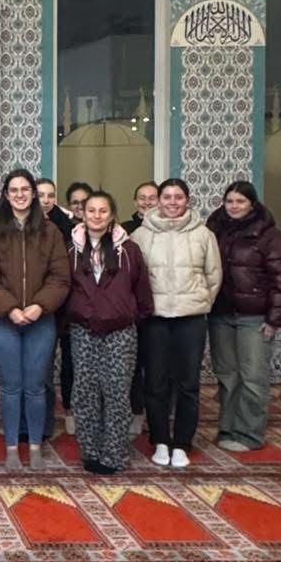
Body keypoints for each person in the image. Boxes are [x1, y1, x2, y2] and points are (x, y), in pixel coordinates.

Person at [0, 168, 70, 469]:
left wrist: (40, 306)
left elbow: (60, 278)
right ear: (6, 195)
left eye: (25, 189)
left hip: (41, 320)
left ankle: (35, 446)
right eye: (14, 190)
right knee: (11, 386)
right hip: (5, 321)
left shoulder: (50, 232)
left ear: (33, 194)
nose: (20, 195)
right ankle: (12, 447)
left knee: (36, 386)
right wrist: (11, 308)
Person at [131, 178, 222, 468]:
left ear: (188, 200)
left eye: (178, 197)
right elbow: (133, 278)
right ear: (158, 201)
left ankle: (182, 442)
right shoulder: (141, 235)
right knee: (155, 382)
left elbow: (214, 276)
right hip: (155, 320)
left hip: (190, 319)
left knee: (188, 384)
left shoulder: (203, 234)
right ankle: (160, 439)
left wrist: (199, 302)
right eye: (167, 197)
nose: (172, 202)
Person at [206, 181, 281, 452]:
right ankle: (228, 429)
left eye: (240, 201)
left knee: (253, 377)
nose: (234, 206)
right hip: (221, 314)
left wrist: (275, 319)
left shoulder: (270, 236)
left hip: (254, 317)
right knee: (227, 376)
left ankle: (249, 435)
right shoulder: (214, 230)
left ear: (252, 204)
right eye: (230, 201)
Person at [65, 191, 153, 474]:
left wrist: (130, 316)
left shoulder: (129, 250)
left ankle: (114, 454)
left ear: (112, 214)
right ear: (83, 214)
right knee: (85, 392)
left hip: (120, 332)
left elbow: (142, 290)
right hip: (83, 330)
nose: (97, 216)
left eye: (103, 211)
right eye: (91, 210)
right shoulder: (71, 250)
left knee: (116, 392)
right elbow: (65, 288)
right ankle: (90, 451)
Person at [36, 176, 76, 436]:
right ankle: (41, 423)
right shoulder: (22, 224)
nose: (46, 200)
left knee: (69, 364)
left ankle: (65, 414)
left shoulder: (68, 226)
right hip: (39, 306)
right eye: (41, 195)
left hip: (65, 305)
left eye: (50, 195)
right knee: (43, 369)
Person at [121, 180, 160, 436]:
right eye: (142, 198)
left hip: (163, 310)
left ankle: (159, 415)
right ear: (135, 202)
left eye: (152, 197)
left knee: (158, 367)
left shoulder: (171, 229)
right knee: (132, 367)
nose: (147, 202)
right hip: (133, 311)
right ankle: (135, 412)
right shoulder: (124, 231)